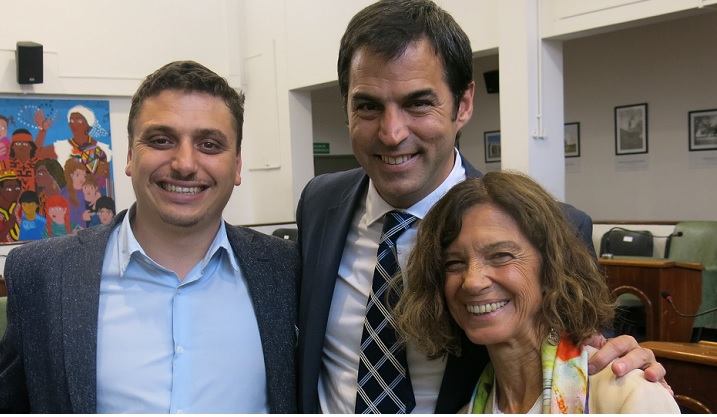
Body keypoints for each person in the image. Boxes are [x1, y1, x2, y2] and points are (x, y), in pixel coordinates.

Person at [295, 0, 667, 413]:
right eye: (368, 106)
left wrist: (630, 372)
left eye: (418, 103)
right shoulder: (320, 204)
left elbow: (587, 361)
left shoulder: (556, 227)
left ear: (464, 104)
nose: (392, 133)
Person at [0, 60, 299, 413]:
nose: (185, 164)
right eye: (161, 140)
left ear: (236, 165)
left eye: (209, 144)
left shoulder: (286, 271)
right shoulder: (43, 275)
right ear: (129, 156)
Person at [394, 172, 680, 413]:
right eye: (454, 263)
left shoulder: (629, 397)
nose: (472, 282)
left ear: (552, 268)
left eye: (501, 256)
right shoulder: (470, 409)